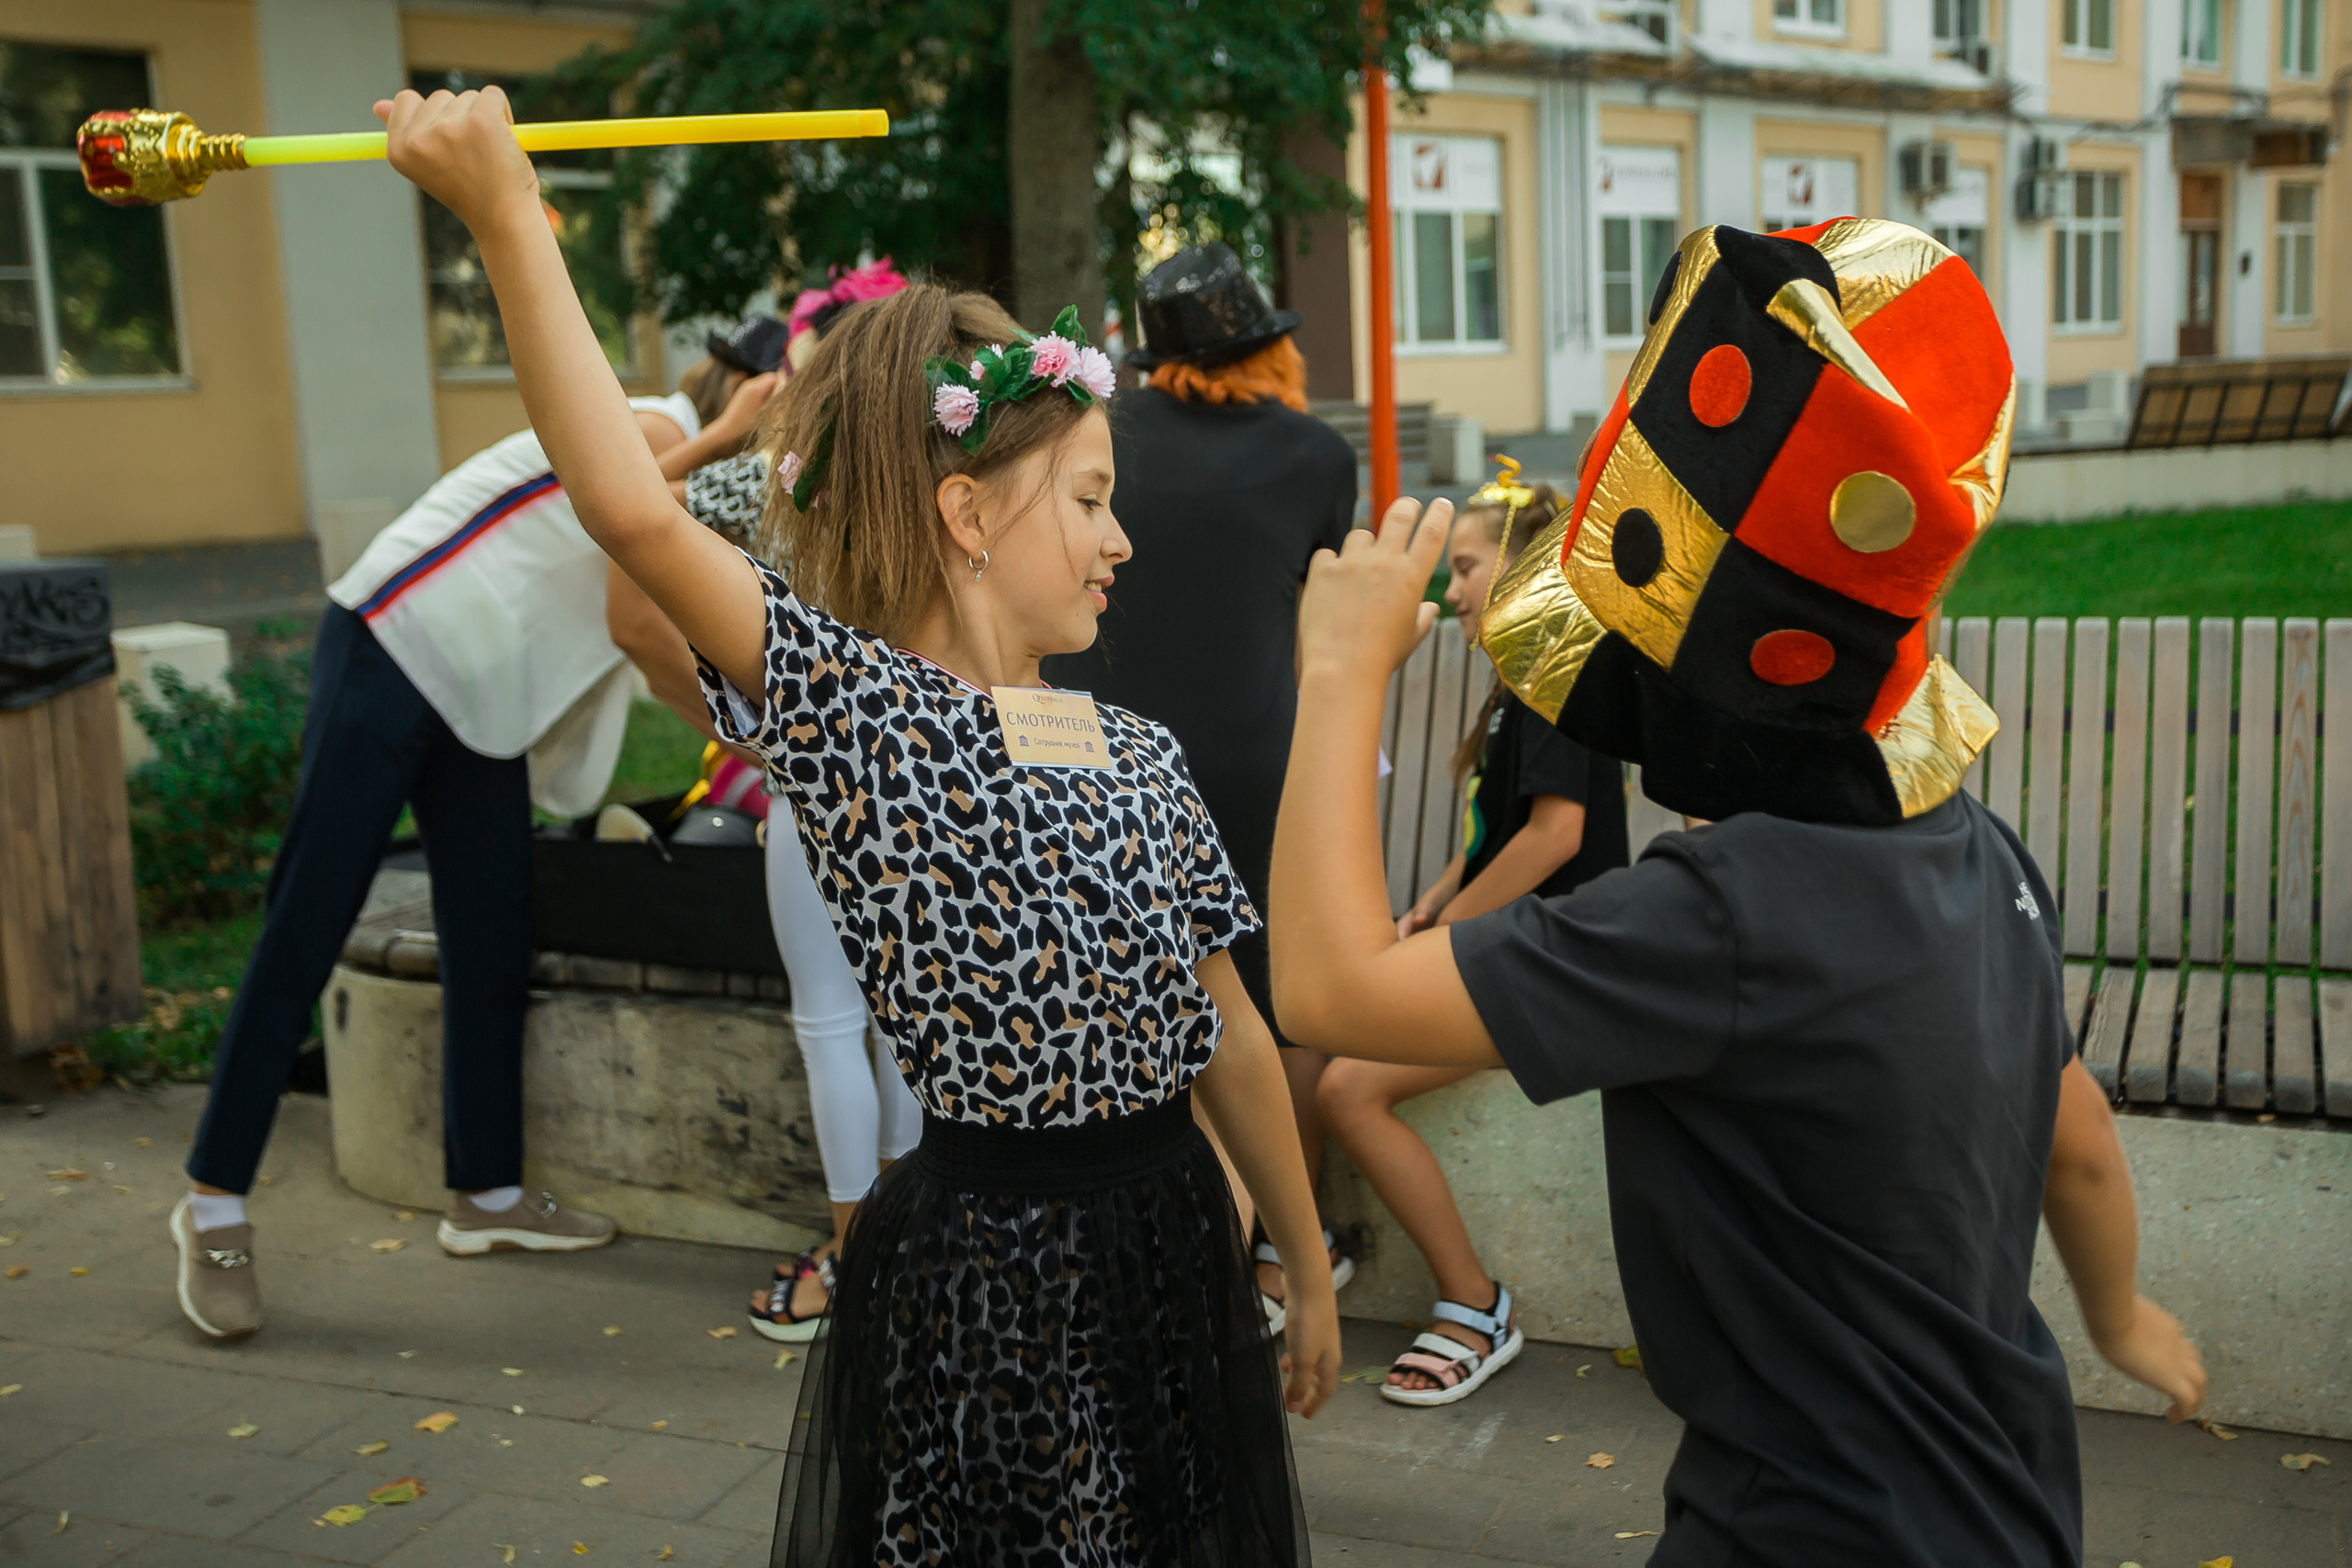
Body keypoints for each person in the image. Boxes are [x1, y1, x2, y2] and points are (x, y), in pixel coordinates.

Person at [375, 85, 1336, 1566]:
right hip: (989, 1273)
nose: (1121, 537)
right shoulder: (861, 711)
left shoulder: (1140, 747)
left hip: (1169, 1250)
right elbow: (632, 517)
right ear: (968, 515)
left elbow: (1235, 1035)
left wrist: (1304, 1257)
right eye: (1087, 499)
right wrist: (510, 214)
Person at [1270, 219, 2206, 1562]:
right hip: (2010, 1503)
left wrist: (1338, 675)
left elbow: (1326, 988)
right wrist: (2118, 1316)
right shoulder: (1988, 859)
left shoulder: (1719, 913)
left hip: (1800, 1526)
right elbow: (2078, 1140)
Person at [166, 329, 728, 1340]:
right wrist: (732, 430)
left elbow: (647, 640)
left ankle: (487, 1196)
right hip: (392, 644)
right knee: (307, 924)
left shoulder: (694, 481)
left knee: (491, 933)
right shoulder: (653, 424)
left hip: (477, 702)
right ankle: (213, 1203)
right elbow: (624, 499)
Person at [1041, 242, 1358, 1329]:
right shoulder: (1315, 454)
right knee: (1259, 1009)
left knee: (1128, 1000)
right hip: (1247, 762)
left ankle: (1141, 1254)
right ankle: (1268, 1252)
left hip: (1093, 752)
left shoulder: (1101, 438)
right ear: (1268, 349)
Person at [609, 286, 927, 1344]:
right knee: (906, 1032)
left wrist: (720, 435)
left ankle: (854, 1263)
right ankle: (917, 1256)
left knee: (832, 1029)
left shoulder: (774, 484)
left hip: (808, 790)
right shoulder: (937, 481)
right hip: (925, 788)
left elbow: (622, 506)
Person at [1318, 462, 1626, 1405]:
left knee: (1348, 1090)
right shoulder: (1516, 684)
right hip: (1516, 946)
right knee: (1322, 1026)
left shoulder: (1560, 678)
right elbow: (1496, 833)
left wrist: (1442, 932)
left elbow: (1556, 837)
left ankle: (1475, 1303)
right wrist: (1430, 907)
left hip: (1566, 961)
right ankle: (1300, 1245)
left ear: (1521, 565)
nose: (1448, 592)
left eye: (1461, 569)